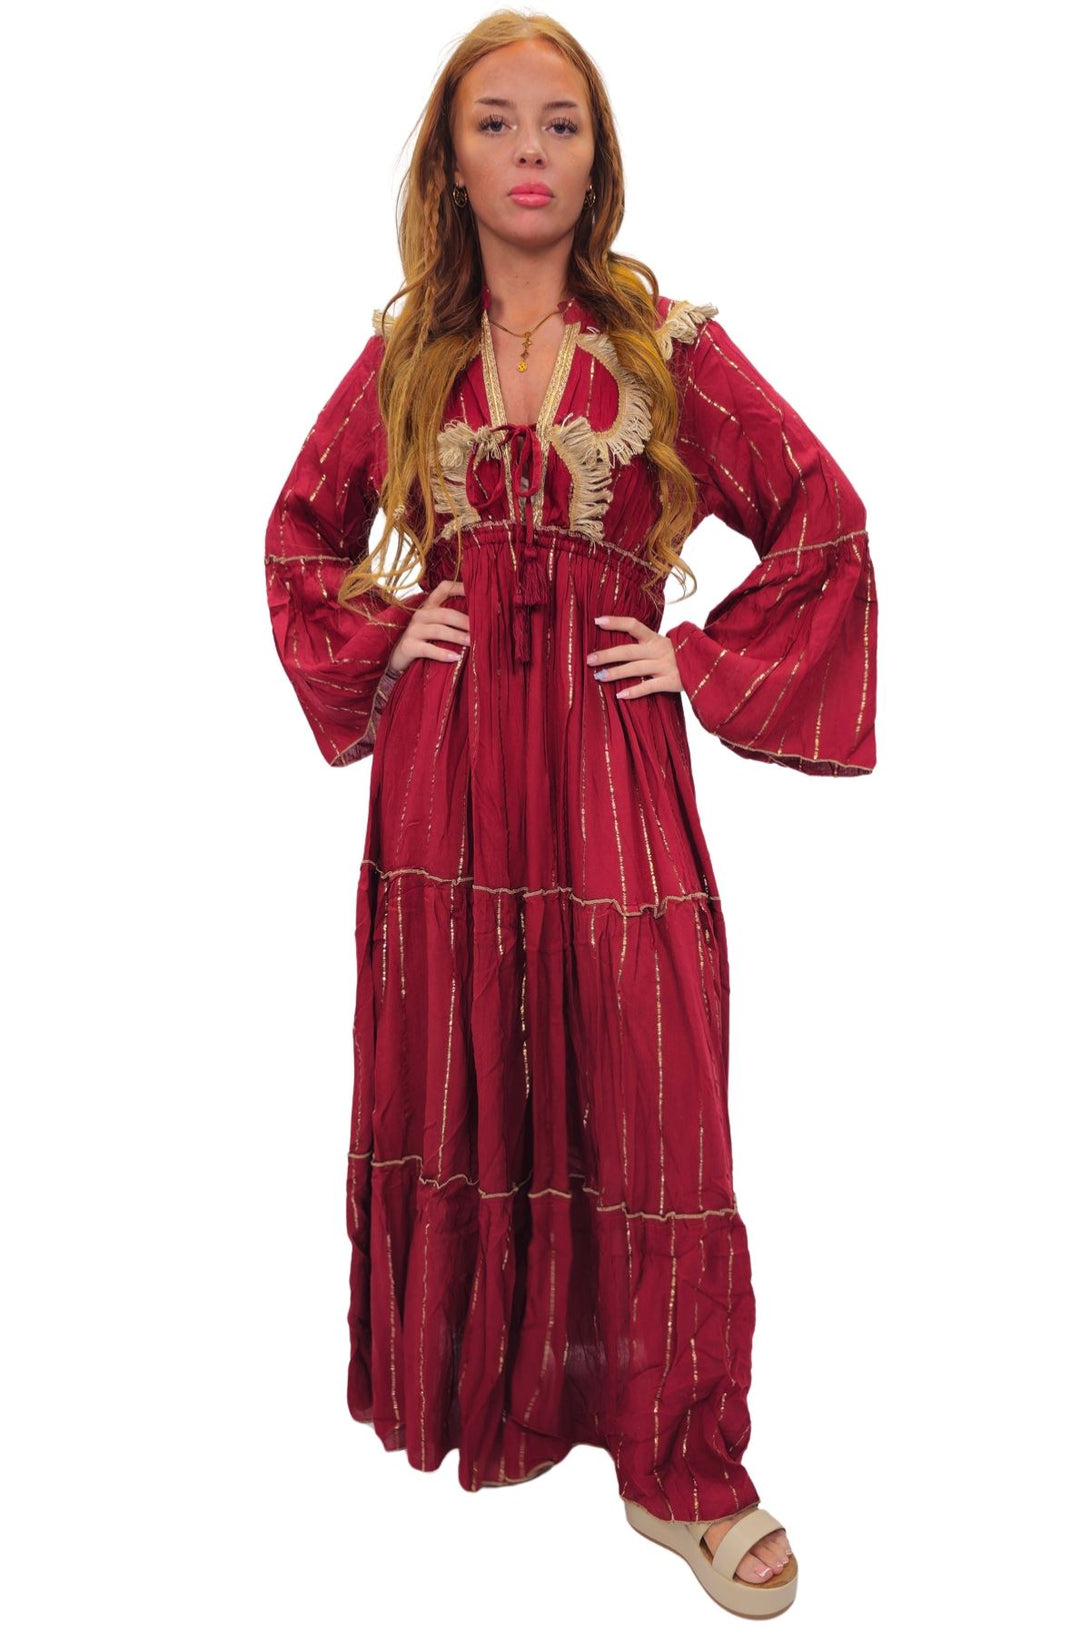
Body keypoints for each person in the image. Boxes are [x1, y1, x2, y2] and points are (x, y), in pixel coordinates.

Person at [264, 11, 877, 1620]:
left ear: (597, 161)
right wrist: (391, 626)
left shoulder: (668, 345)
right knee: (461, 1046)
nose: (529, 152)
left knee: (647, 1073)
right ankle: (491, 1386)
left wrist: (696, 656)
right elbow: (299, 533)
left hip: (606, 748)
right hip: (451, 763)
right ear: (449, 160)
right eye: (496, 123)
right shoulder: (408, 354)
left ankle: (679, 1462)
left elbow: (822, 520)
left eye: (560, 124)